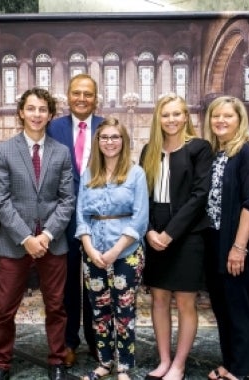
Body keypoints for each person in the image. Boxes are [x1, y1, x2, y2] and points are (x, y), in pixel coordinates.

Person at [0, 87, 75, 380]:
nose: (37, 114)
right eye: (31, 108)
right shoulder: (4, 150)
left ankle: (56, 360)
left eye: (42, 109)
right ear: (21, 112)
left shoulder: (61, 152)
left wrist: (47, 235)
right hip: (14, 244)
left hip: (53, 242)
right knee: (4, 309)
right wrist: (26, 238)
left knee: (56, 307)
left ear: (50, 115)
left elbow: (67, 200)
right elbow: (0, 200)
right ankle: (0, 362)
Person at [139, 94, 213, 380]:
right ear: (158, 118)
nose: (170, 120)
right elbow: (142, 195)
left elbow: (199, 196)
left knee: (185, 302)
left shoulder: (199, 148)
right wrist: (148, 231)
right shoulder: (150, 150)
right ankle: (164, 360)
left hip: (187, 236)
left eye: (176, 114)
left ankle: (179, 365)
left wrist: (169, 234)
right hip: (154, 235)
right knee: (158, 299)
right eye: (165, 114)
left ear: (185, 117)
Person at [202, 96, 249, 380]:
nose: (220, 121)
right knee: (223, 308)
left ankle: (244, 371)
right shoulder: (219, 153)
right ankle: (230, 363)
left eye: (227, 116)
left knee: (241, 310)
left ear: (239, 119)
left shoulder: (248, 153)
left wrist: (239, 247)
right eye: (216, 116)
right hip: (216, 242)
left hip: (238, 244)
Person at [75, 118, 148, 380]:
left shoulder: (135, 173)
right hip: (93, 253)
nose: (109, 142)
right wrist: (90, 249)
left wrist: (115, 251)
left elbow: (140, 219)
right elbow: (81, 216)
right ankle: (105, 363)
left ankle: (125, 366)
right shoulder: (88, 174)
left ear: (124, 141)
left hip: (126, 254)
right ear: (98, 142)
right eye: (104, 137)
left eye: (115, 137)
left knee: (124, 311)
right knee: (99, 311)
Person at [47, 74, 104, 366]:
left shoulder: (107, 127)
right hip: (63, 219)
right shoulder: (52, 127)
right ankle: (68, 341)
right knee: (66, 283)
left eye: (88, 94)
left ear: (96, 98)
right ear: (67, 96)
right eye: (77, 93)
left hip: (99, 219)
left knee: (96, 282)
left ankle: (97, 341)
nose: (82, 98)